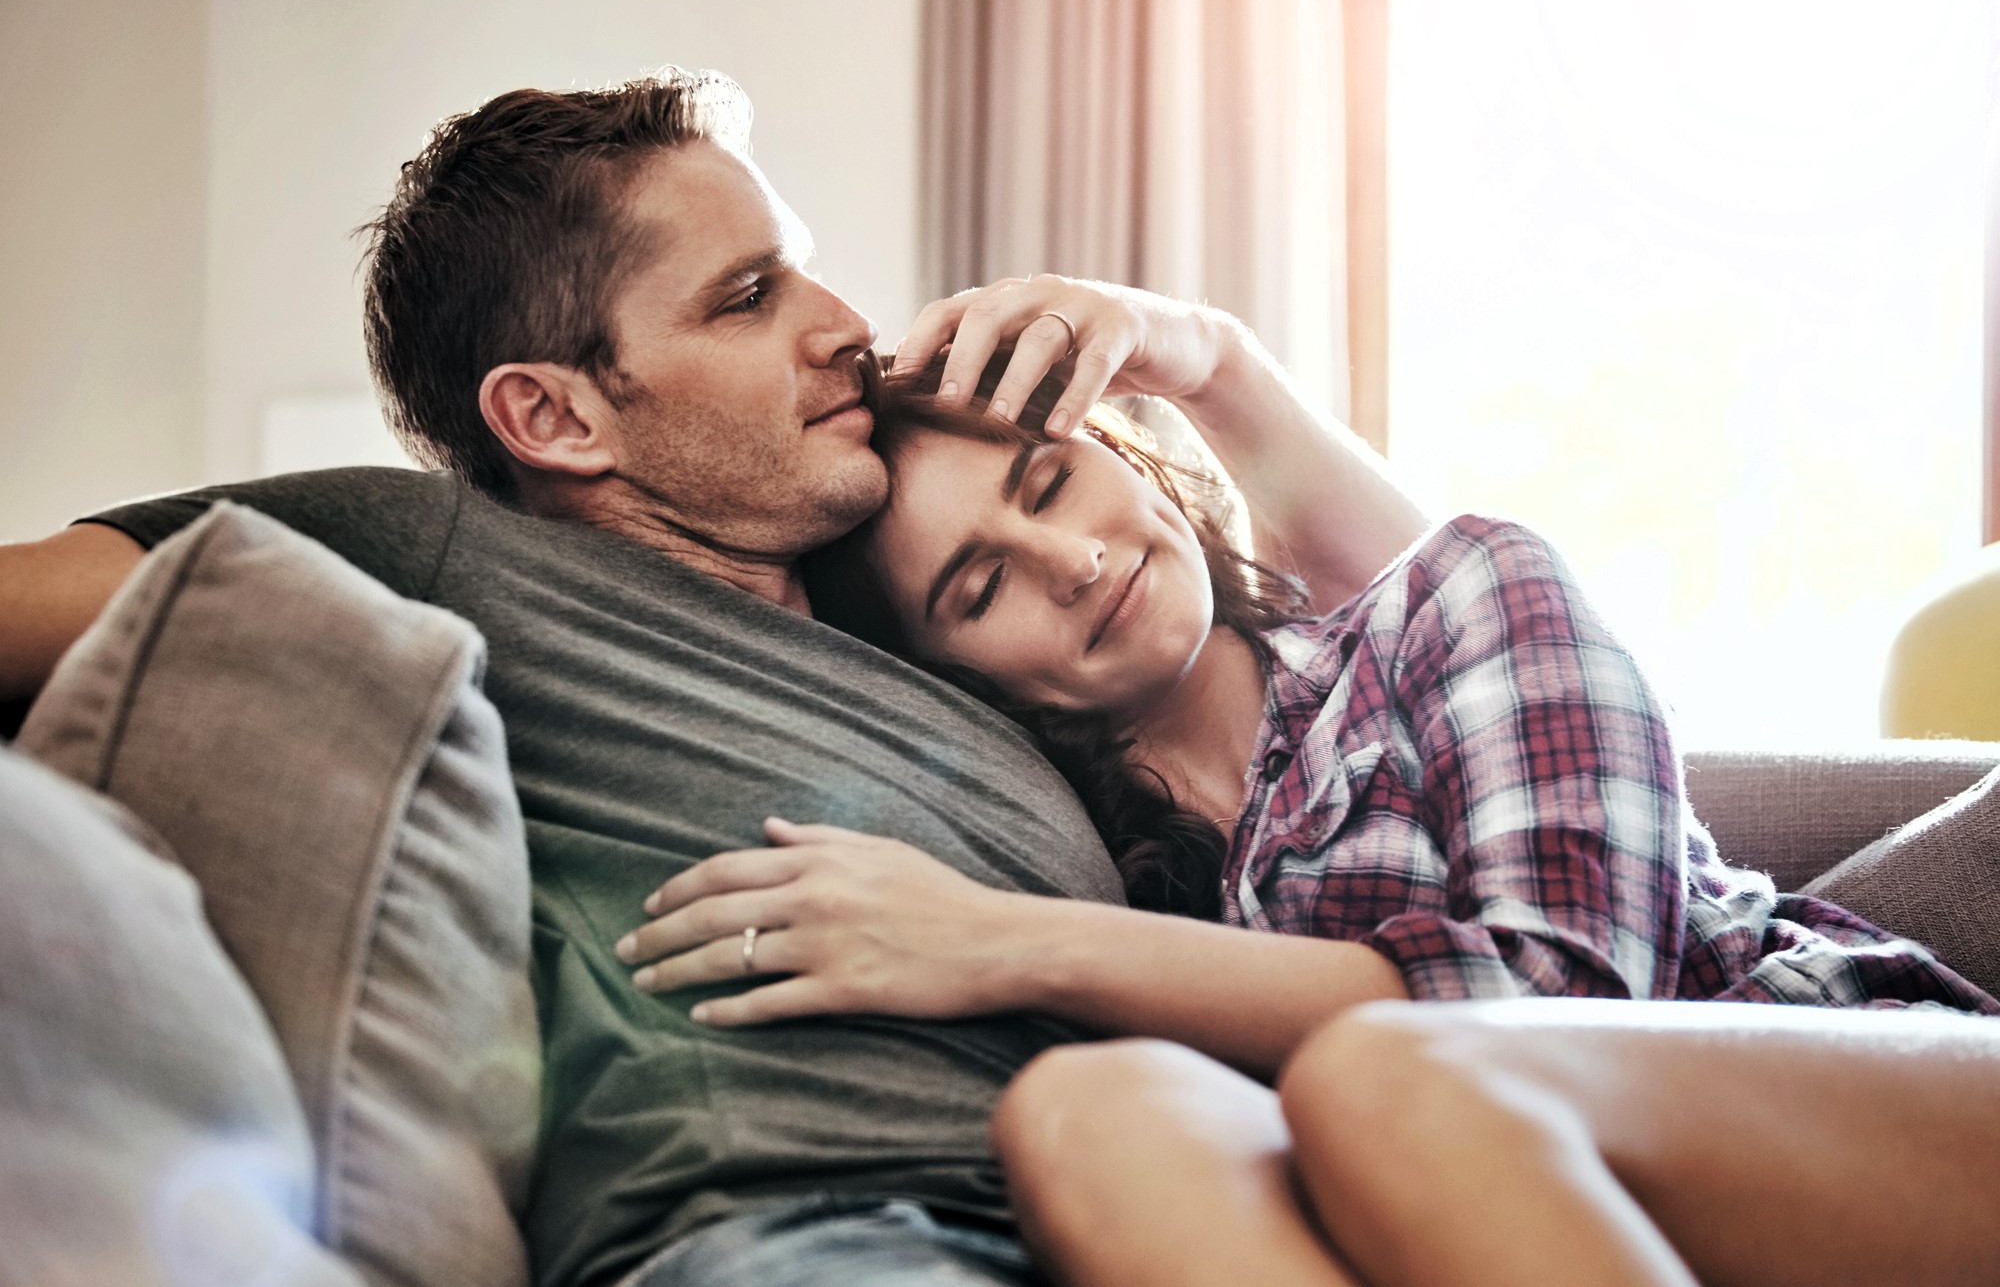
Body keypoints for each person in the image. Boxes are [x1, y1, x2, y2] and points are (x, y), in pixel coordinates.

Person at [1, 65, 1996, 1287]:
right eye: (747, 293)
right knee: (1118, 1117)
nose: (836, 322)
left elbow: (1542, 943)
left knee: (1318, 1080)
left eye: (1054, 480)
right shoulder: (451, 561)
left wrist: (1195, 352)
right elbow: (73, 597)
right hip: (861, 1215)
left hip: (1737, 1074)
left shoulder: (1367, 622)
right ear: (555, 414)